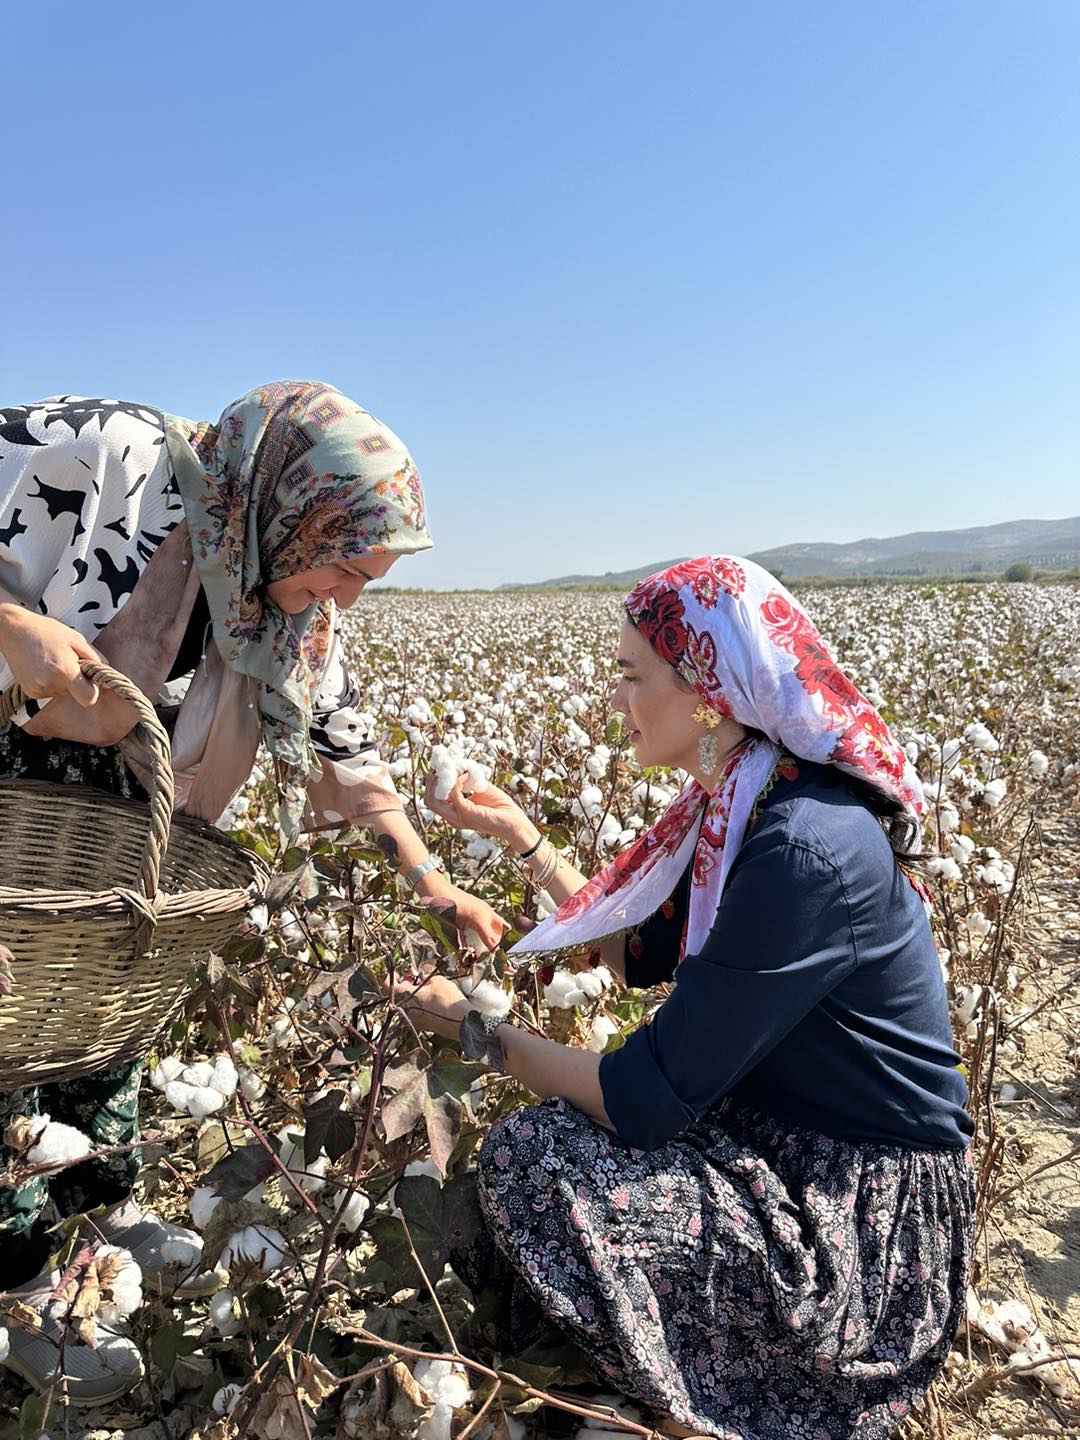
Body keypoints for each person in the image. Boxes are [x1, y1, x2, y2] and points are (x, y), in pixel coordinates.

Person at [392, 555, 974, 1440]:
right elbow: (636, 956)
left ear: (708, 692)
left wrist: (476, 1035)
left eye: (632, 676)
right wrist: (519, 838)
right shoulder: (741, 803)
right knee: (539, 1152)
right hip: (782, 1140)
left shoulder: (803, 848)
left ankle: (736, 1399)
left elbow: (645, 1098)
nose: (616, 701)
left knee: (538, 1163)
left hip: (861, 1215)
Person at [0, 382, 503, 1403]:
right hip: (17, 810)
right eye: (347, 566)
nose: (348, 597)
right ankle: (24, 1295)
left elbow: (338, 746)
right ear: (294, 506)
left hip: (117, 821)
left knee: (101, 1009)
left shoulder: (284, 589)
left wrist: (431, 878)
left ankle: (102, 1206)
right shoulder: (105, 455)